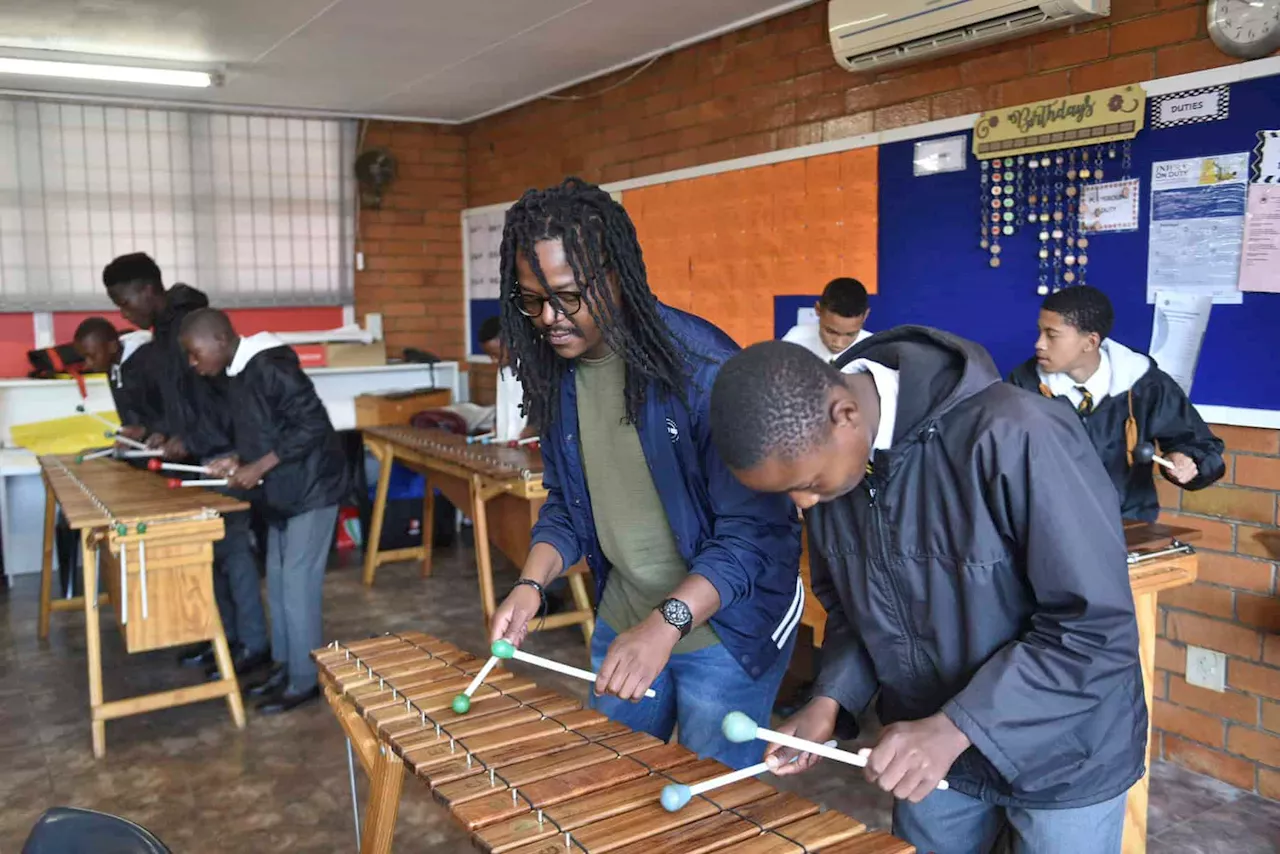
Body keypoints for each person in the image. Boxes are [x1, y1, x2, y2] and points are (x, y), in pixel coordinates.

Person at [708, 332, 1146, 854]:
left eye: (809, 482)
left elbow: (1093, 628)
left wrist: (957, 726)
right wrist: (831, 699)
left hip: (1065, 753)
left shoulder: (1018, 433)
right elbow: (857, 611)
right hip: (932, 752)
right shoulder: (836, 472)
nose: (804, 502)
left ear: (845, 414)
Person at [486, 177, 802, 770]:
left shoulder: (706, 372)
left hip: (725, 631)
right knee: (612, 782)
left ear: (616, 277)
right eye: (532, 301)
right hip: (626, 613)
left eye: (569, 295)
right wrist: (532, 584)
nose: (550, 318)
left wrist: (666, 625)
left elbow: (755, 533)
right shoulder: (560, 372)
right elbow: (570, 505)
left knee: (713, 814)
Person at [101, 254, 269, 678]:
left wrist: (189, 439)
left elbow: (223, 399)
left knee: (233, 554)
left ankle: (253, 644)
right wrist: (160, 431)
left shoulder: (194, 325)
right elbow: (180, 402)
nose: (124, 313)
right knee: (204, 556)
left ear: (149, 290)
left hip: (223, 457)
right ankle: (221, 636)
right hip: (193, 458)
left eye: (125, 302)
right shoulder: (161, 334)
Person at [180, 308, 350, 714]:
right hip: (281, 492)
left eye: (193, 352)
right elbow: (268, 431)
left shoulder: (271, 366)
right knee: (276, 582)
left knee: (297, 586)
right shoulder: (238, 374)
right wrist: (236, 460)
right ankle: (286, 667)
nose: (192, 362)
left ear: (220, 340)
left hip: (311, 489)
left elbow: (312, 424)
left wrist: (257, 466)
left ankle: (305, 680)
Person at [1007, 286, 1226, 522]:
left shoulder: (1144, 384)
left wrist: (1188, 459)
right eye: (1040, 332)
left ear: (1090, 342)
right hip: (1049, 525)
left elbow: (1202, 446)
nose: (1039, 343)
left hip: (1126, 523)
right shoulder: (1022, 386)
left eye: (1052, 334)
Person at [72, 317, 159, 442]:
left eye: (92, 356)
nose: (88, 364)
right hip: (143, 444)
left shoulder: (149, 362)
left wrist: (148, 430)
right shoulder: (112, 368)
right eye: (84, 358)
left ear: (112, 347)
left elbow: (172, 410)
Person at [781, 277, 872, 363]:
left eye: (850, 334)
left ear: (866, 315)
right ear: (818, 309)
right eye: (830, 331)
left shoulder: (873, 350)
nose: (838, 344)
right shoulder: (794, 342)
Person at [478, 315, 535, 443]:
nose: (493, 360)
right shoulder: (503, 370)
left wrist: (535, 426)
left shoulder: (535, 367)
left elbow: (548, 404)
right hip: (511, 443)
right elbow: (504, 403)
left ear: (510, 342)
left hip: (531, 443)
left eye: (495, 354)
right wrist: (496, 422)